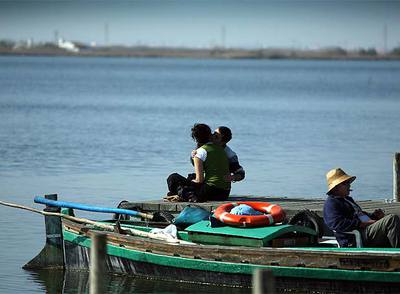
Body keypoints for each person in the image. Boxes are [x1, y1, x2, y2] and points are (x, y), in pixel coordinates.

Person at [323, 168, 400, 248]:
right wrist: (360, 224)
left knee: (390, 217)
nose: (349, 185)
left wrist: (374, 216)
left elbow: (360, 215)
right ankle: (397, 254)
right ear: (336, 188)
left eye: (348, 182)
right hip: (355, 238)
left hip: (365, 231)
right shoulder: (331, 203)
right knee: (391, 219)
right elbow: (336, 224)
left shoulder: (347, 200)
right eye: (345, 183)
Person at [166, 123, 231, 202]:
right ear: (210, 135)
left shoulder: (200, 152)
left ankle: (188, 195)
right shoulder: (221, 149)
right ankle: (183, 193)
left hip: (211, 192)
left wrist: (190, 182)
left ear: (196, 139)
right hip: (224, 194)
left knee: (173, 178)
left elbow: (199, 180)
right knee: (192, 176)